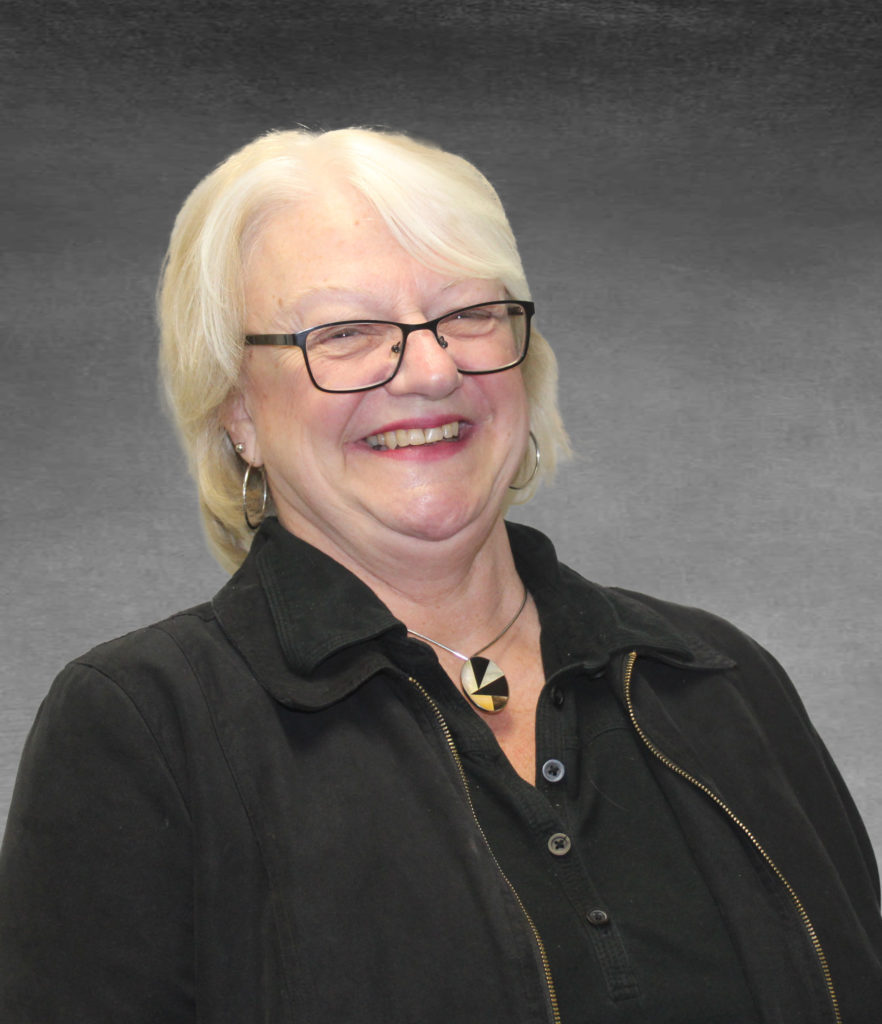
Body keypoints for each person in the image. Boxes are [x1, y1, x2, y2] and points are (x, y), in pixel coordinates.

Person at [1, 127, 880, 1024]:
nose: (430, 369)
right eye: (345, 332)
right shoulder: (142, 728)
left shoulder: (717, 680)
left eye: (468, 314)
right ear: (238, 412)